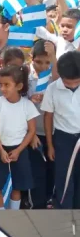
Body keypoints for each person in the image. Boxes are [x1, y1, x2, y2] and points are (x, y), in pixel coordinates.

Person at [0, 65, 39, 210]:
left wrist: (18, 151)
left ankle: (14, 213)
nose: (3, 88)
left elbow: (31, 130)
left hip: (20, 151)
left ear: (19, 86)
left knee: (17, 186)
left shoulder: (27, 105)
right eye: (1, 84)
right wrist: (1, 150)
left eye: (7, 85)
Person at [44, 51, 80, 208]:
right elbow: (48, 117)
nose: (72, 85)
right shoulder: (53, 89)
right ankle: (64, 212)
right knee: (64, 179)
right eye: (68, 82)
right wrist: (50, 145)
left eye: (76, 82)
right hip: (63, 139)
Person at [28, 40, 59, 208]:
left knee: (53, 170)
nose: (42, 66)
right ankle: (37, 204)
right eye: (38, 62)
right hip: (34, 134)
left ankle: (49, 199)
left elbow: (57, 79)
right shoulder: (26, 78)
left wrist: (53, 57)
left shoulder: (54, 77)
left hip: (53, 133)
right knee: (37, 171)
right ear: (31, 58)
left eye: (47, 62)